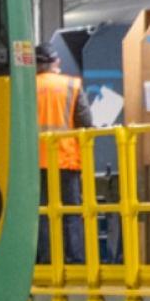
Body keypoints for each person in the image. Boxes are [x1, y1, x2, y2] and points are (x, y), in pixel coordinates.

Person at [35, 44, 89, 264]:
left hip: (35, 161)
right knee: (71, 212)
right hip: (65, 158)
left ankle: (47, 259)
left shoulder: (24, 87)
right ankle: (74, 258)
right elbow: (86, 122)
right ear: (56, 62)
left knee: (42, 213)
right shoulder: (71, 85)